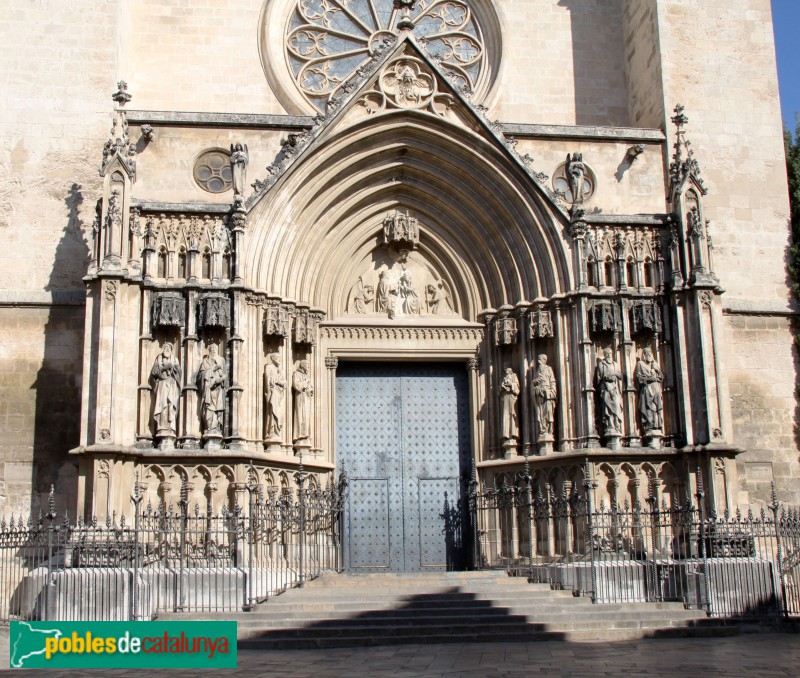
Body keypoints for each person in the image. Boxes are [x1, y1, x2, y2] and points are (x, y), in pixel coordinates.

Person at [151, 342, 181, 437]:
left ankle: (170, 427)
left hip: (172, 384)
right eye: (165, 347)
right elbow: (154, 372)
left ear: (172, 349)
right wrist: (164, 368)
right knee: (162, 405)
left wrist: (172, 368)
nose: (167, 349)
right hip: (162, 385)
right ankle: (162, 427)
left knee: (170, 405)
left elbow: (179, 372)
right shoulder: (159, 359)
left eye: (169, 347)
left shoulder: (175, 360)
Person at [197, 344, 226, 434]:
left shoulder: (221, 360)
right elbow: (200, 375)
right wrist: (213, 369)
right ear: (209, 350)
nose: (213, 350)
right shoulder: (205, 361)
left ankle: (216, 427)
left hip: (218, 390)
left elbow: (225, 375)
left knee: (218, 408)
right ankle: (209, 426)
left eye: (215, 349)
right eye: (211, 349)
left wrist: (219, 380)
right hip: (208, 390)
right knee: (209, 408)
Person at [594, 348, 623, 434]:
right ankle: (610, 424)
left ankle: (617, 424)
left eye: (610, 353)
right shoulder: (601, 365)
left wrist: (617, 375)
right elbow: (599, 378)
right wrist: (608, 377)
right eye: (607, 353)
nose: (609, 355)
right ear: (605, 355)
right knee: (607, 408)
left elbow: (620, 376)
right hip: (606, 389)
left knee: (617, 406)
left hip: (615, 389)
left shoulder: (616, 364)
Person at [635, 347, 664, 432]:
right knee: (648, 407)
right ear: (643, 354)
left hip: (656, 389)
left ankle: (657, 425)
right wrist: (648, 379)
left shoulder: (655, 364)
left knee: (656, 407)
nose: (649, 354)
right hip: (647, 389)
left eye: (650, 352)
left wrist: (657, 370)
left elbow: (661, 377)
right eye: (646, 352)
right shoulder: (640, 364)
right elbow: (638, 378)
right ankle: (649, 425)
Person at [533, 354, 557, 437]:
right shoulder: (537, 371)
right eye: (538, 359)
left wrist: (551, 392)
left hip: (547, 394)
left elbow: (552, 382)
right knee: (540, 414)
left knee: (548, 412)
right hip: (539, 394)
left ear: (544, 360)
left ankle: (549, 431)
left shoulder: (548, 369)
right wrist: (536, 386)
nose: (538, 361)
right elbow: (535, 384)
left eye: (540, 359)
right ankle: (542, 430)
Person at [264, 352, 287, 439]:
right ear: (273, 359)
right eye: (277, 357)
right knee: (272, 411)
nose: (279, 359)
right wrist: (277, 382)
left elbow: (283, 381)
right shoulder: (269, 367)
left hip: (279, 394)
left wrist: (283, 383)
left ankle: (276, 431)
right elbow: (269, 380)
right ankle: (271, 431)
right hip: (273, 393)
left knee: (279, 412)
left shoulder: (279, 369)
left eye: (279, 357)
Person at [292, 360, 313, 442]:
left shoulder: (307, 376)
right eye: (307, 365)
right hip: (301, 398)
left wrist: (310, 389)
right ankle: (300, 434)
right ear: (302, 365)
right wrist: (304, 383)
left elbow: (310, 386)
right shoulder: (297, 374)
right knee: (301, 415)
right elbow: (297, 385)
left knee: (307, 417)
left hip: (307, 398)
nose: (308, 367)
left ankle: (306, 433)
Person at [499, 367, 520, 440]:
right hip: (505, 397)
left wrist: (511, 385)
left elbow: (516, 386)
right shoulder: (504, 378)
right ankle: (506, 433)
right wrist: (502, 387)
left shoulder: (514, 376)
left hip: (511, 396)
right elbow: (500, 390)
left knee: (512, 413)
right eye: (505, 371)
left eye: (507, 370)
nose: (506, 372)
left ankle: (512, 433)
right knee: (505, 414)